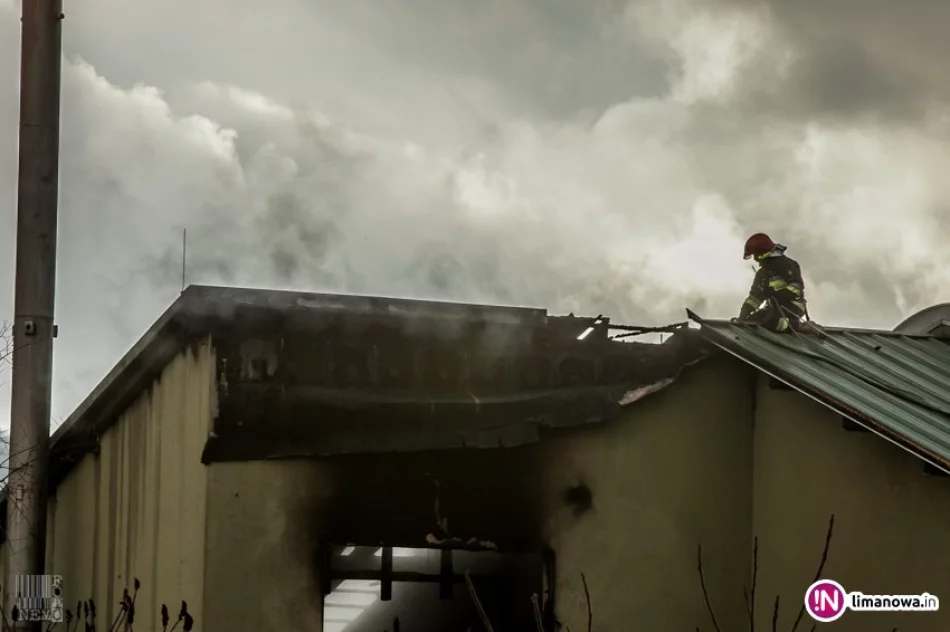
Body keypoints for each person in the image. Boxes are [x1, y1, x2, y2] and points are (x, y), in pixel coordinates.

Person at [735, 233, 807, 332]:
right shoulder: (762, 273)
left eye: (755, 255)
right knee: (751, 322)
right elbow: (755, 297)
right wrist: (742, 316)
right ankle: (783, 323)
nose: (755, 259)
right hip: (773, 308)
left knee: (771, 323)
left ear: (762, 253)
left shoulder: (787, 264)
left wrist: (777, 295)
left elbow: (796, 287)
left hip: (793, 306)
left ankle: (795, 325)